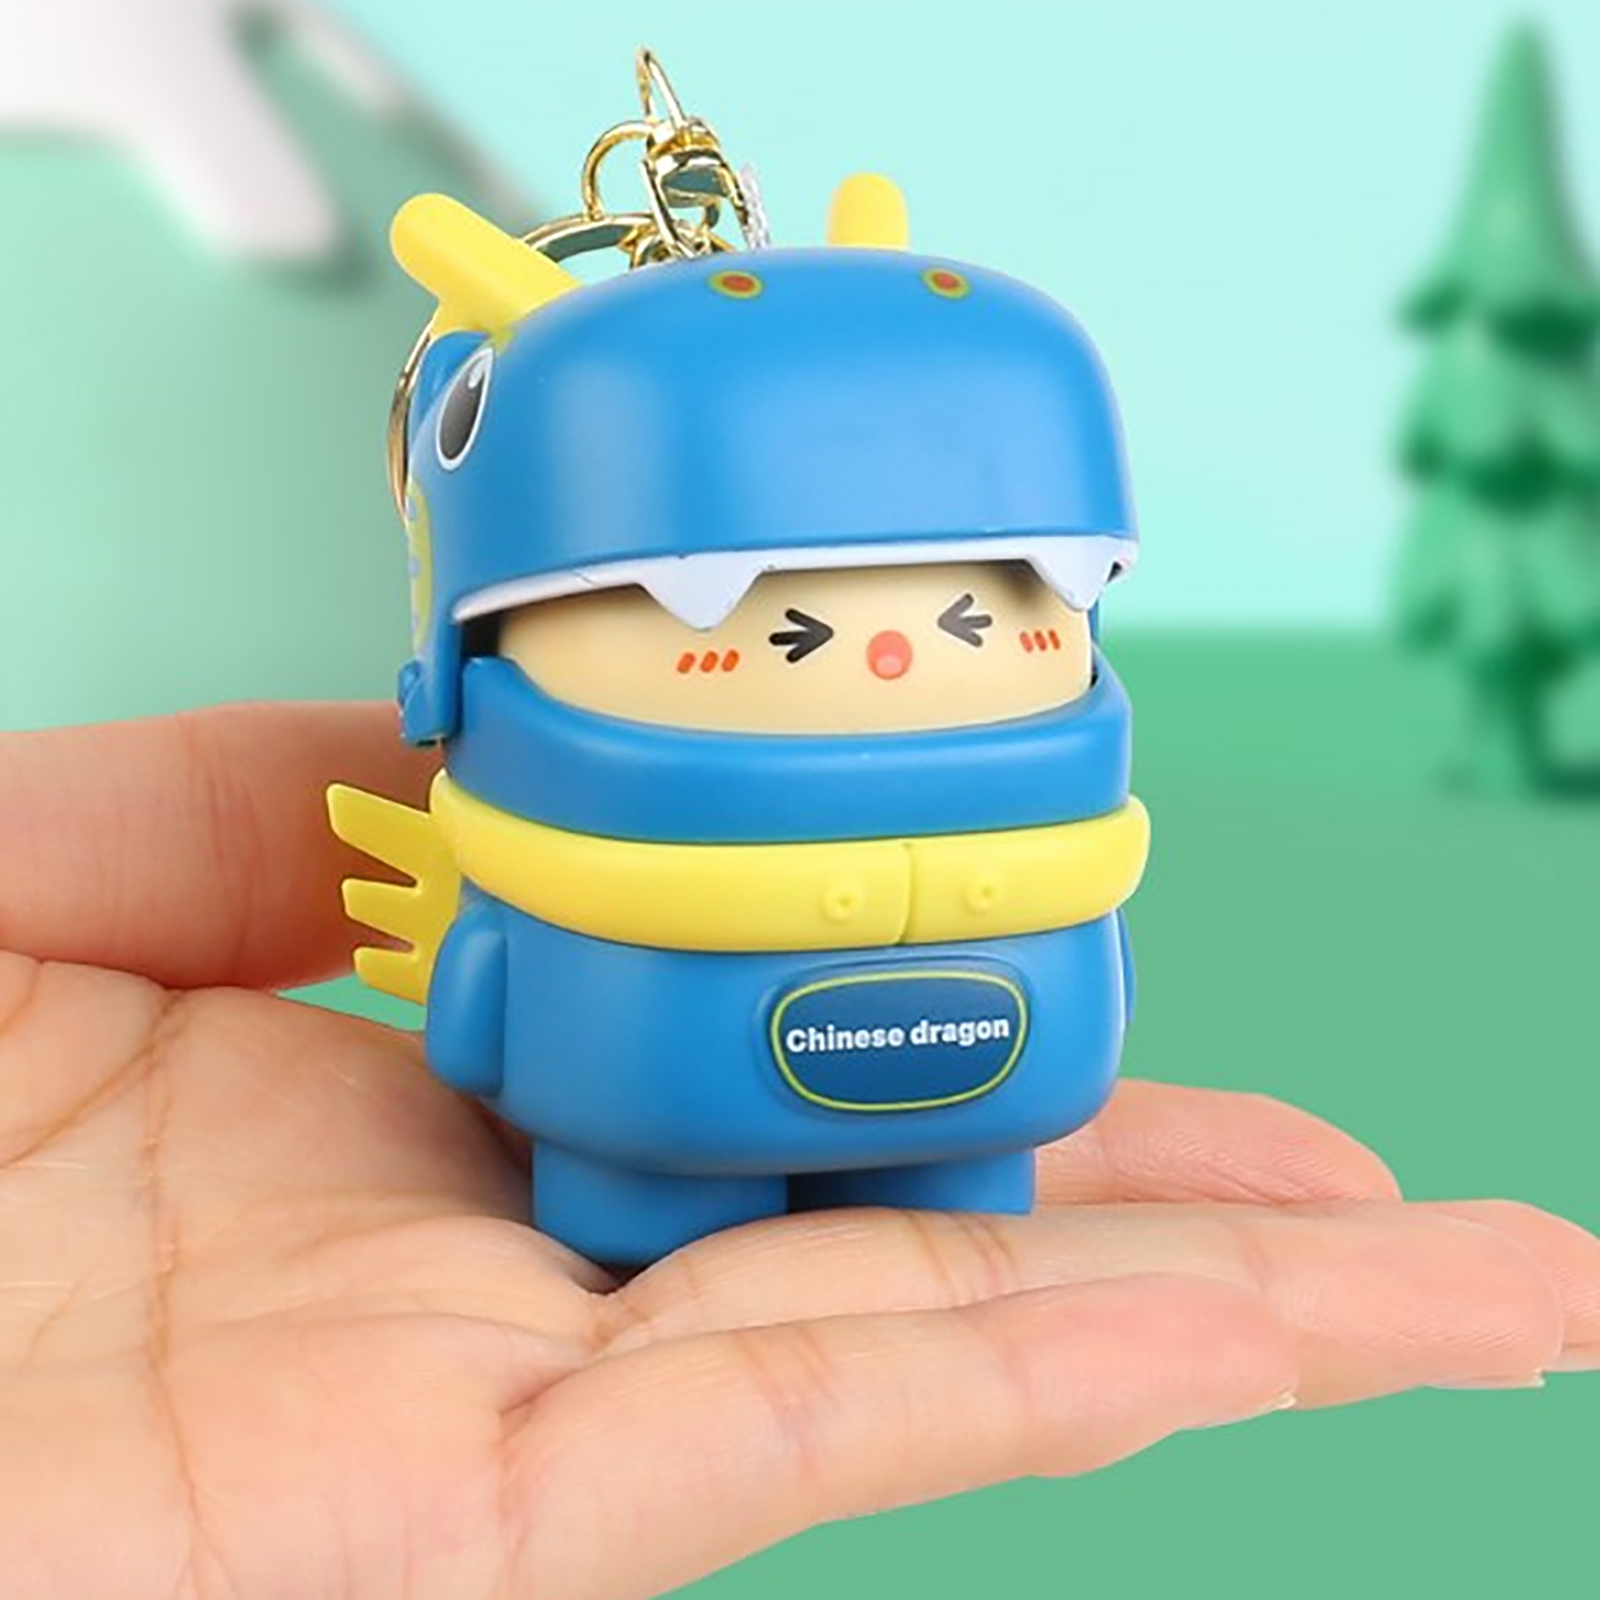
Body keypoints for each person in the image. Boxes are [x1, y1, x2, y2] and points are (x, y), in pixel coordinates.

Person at [0, 701, 1594, 1600]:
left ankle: (867, 1172)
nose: (882, 664)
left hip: (949, 1052)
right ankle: (669, 1196)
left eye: (974, 614)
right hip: (637, 1098)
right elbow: (485, 1004)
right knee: (655, 1175)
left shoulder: (1049, 817)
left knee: (958, 1182)